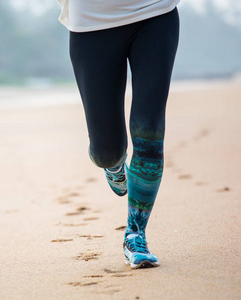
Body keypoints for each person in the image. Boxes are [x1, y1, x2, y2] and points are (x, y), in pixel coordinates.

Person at [56, 0, 180, 269]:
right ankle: (112, 164)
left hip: (155, 13)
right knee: (106, 151)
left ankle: (135, 234)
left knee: (149, 132)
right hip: (91, 24)